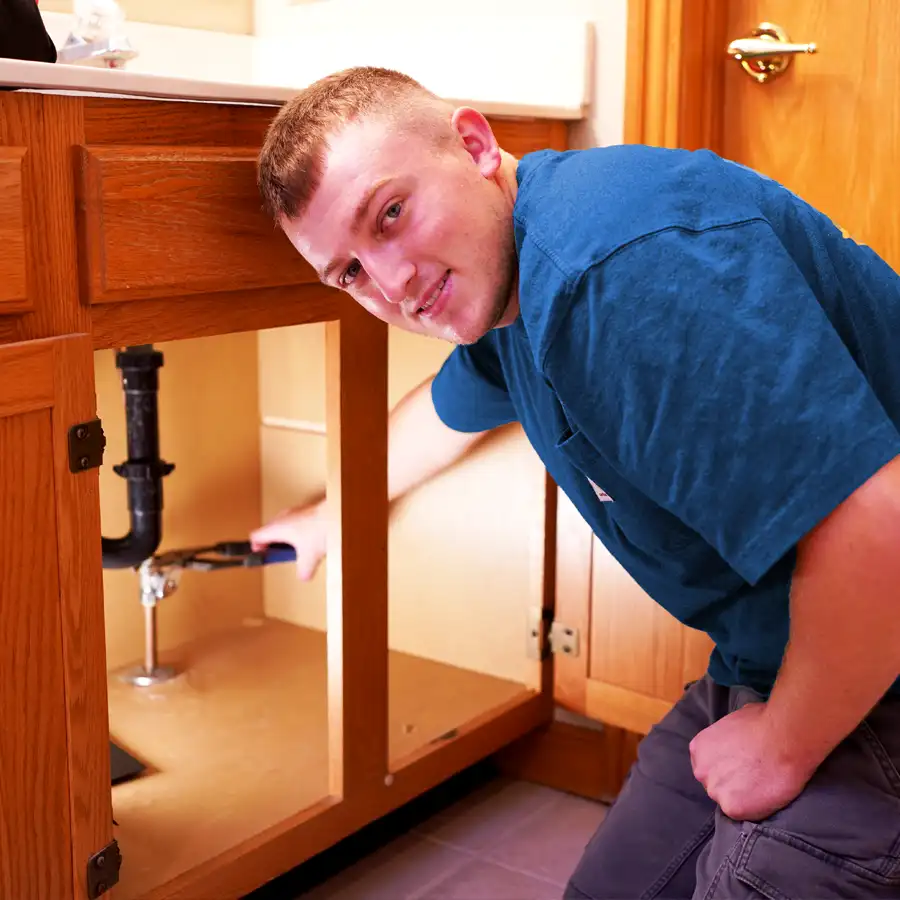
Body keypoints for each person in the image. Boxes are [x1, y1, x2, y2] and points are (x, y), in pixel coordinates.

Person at [250, 66, 900, 899]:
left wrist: (781, 747)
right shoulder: (511, 279)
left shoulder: (617, 273)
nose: (393, 284)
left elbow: (878, 527)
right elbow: (443, 418)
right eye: (348, 273)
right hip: (775, 652)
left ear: (476, 145)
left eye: (391, 214)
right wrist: (332, 515)